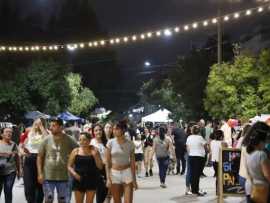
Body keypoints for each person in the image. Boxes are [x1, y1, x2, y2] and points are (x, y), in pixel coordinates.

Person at [37, 118, 78, 203]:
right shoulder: (46, 139)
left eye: (54, 125)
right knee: (48, 199)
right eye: (50, 125)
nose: (50, 127)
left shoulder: (69, 139)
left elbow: (78, 151)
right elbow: (39, 157)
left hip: (64, 176)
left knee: (63, 200)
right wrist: (40, 173)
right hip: (48, 176)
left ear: (61, 127)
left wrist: (72, 164)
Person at [105, 121, 138, 203]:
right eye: (113, 129)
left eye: (117, 129)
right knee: (117, 200)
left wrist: (134, 180)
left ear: (123, 130)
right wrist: (108, 178)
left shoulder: (130, 144)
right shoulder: (110, 142)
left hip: (127, 172)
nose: (114, 131)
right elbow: (107, 162)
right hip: (114, 173)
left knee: (128, 201)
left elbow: (132, 163)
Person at [68, 132, 103, 203]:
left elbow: (100, 167)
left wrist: (95, 156)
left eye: (84, 139)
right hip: (78, 179)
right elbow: (69, 166)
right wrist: (75, 175)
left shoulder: (94, 151)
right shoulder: (75, 151)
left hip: (91, 179)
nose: (82, 142)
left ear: (89, 141)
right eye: (80, 140)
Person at [21, 118, 48, 203]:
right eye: (36, 123)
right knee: (28, 186)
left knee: (40, 185)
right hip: (30, 158)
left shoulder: (46, 133)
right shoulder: (28, 132)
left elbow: (48, 140)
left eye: (39, 123)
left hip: (41, 158)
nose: (37, 125)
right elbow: (21, 145)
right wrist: (23, 152)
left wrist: (42, 128)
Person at [245, 122, 270, 203]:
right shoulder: (261, 154)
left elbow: (249, 174)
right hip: (263, 190)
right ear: (261, 141)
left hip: (253, 188)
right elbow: (267, 174)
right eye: (266, 140)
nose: (267, 142)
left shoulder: (249, 153)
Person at [0, 127, 20, 203]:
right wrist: (5, 154)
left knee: (8, 190)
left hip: (11, 171)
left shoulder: (14, 144)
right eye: (7, 132)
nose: (9, 133)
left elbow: (17, 158)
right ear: (2, 134)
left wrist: (19, 170)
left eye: (10, 132)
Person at [186, 125, 208, 196]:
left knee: (193, 174)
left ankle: (193, 189)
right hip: (199, 157)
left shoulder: (189, 137)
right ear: (199, 131)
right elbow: (205, 147)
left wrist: (190, 153)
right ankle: (196, 190)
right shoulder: (200, 138)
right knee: (197, 174)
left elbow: (187, 147)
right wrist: (207, 152)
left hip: (191, 156)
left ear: (192, 131)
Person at [91, 124, 109, 203]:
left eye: (100, 130)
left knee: (104, 194)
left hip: (106, 170)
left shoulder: (106, 142)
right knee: (99, 194)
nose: (98, 132)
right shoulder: (91, 143)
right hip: (95, 170)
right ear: (93, 132)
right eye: (96, 130)